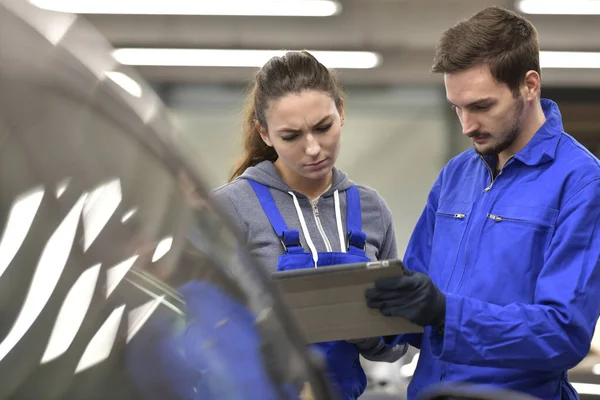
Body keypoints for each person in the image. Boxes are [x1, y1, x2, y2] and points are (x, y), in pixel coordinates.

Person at [364, 6, 600, 400]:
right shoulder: (456, 175)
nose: (466, 125)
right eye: (457, 107)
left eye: (481, 106)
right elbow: (418, 302)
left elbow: (562, 333)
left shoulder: (581, 183)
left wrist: (446, 314)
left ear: (529, 85)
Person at [211, 50, 407, 399]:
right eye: (291, 136)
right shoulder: (229, 208)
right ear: (265, 134)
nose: (313, 148)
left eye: (323, 127)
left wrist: (364, 327)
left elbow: (393, 347)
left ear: (341, 112)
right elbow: (198, 326)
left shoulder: (370, 208)